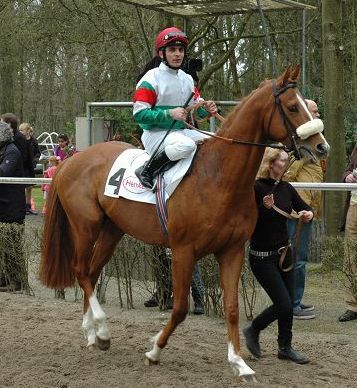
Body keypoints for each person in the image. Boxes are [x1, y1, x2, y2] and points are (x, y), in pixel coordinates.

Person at [243, 148, 313, 364]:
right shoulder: (255, 188)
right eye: (282, 160)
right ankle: (253, 329)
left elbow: (305, 209)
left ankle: (285, 347)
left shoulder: (286, 188)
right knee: (283, 303)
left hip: (284, 255)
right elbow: (248, 222)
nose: (286, 163)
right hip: (261, 257)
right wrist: (263, 209)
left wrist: (307, 214)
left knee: (289, 303)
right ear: (271, 164)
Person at [133, 26, 217, 189]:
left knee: (218, 140)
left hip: (181, 132)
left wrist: (207, 108)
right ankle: (147, 170)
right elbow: (140, 115)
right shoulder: (150, 79)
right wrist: (169, 113)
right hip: (155, 134)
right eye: (172, 50)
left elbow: (197, 107)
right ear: (161, 53)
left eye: (180, 50)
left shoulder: (187, 79)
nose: (178, 54)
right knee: (187, 146)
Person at [283, 99, 325, 319]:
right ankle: (290, 305)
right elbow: (284, 174)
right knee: (293, 258)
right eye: (314, 111)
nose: (318, 113)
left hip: (309, 211)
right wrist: (300, 158)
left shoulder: (315, 141)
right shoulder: (293, 144)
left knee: (301, 259)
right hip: (294, 213)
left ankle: (296, 300)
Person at [0, 121, 27, 292]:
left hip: (12, 208)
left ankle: (16, 282)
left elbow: (3, 173)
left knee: (12, 248)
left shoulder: (12, 151)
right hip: (3, 207)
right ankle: (4, 279)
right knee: (2, 247)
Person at [1, 113, 35, 215]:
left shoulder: (17, 140)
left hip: (19, 171)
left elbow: (23, 157)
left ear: (9, 125)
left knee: (24, 191)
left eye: (2, 123)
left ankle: (27, 206)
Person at [338, 144, 357, 322]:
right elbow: (347, 170)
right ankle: (352, 306)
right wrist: (348, 177)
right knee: (350, 258)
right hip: (353, 206)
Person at [19, 122, 41, 215]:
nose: (20, 132)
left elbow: (38, 153)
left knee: (29, 187)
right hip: (21, 167)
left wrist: (34, 162)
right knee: (21, 187)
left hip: (30, 167)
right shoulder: (19, 140)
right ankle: (22, 207)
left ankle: (28, 207)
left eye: (22, 130)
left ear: (28, 131)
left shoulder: (33, 141)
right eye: (19, 130)